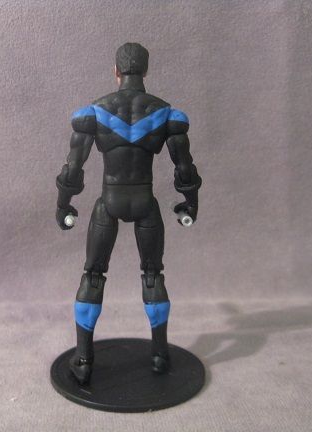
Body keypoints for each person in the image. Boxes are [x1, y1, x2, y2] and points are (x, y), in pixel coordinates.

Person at [55, 42, 202, 385]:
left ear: (116, 71)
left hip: (109, 200)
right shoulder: (167, 115)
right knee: (152, 275)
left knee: (93, 275)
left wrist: (64, 204)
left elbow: (73, 168)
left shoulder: (94, 113)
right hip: (144, 201)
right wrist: (190, 202)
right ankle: (160, 355)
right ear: (146, 70)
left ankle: (83, 359)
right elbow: (184, 168)